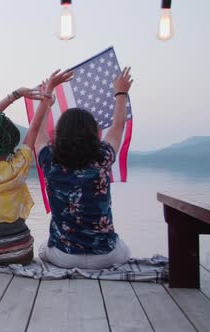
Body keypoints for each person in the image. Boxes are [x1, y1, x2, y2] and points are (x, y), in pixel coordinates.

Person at [0, 70, 73, 265]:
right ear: (11, 142)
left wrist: (15, 95)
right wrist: (46, 97)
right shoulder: (18, 166)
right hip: (20, 252)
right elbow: (35, 126)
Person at [36, 67, 134, 269]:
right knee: (125, 248)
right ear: (93, 133)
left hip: (64, 256)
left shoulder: (50, 161)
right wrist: (121, 93)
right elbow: (118, 127)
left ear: (60, 133)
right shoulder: (103, 158)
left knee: (42, 247)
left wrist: (48, 96)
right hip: (106, 256)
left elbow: (38, 132)